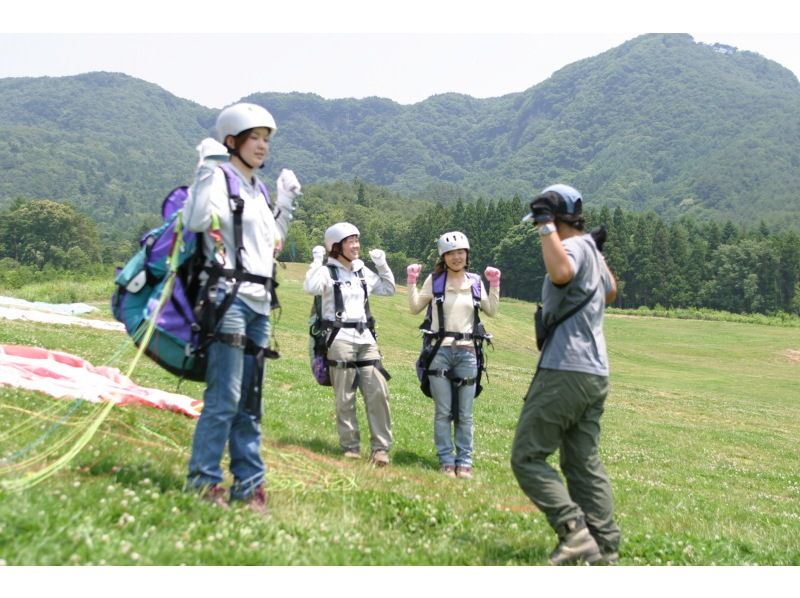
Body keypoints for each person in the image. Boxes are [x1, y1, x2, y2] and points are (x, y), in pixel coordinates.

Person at [182, 102, 301, 512]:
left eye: (266, 140)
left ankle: (249, 486)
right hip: (227, 299)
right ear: (232, 140)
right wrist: (203, 171)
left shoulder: (257, 189)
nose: (263, 146)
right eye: (255, 138)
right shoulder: (220, 178)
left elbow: (271, 244)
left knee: (251, 402)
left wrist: (284, 205)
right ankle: (203, 481)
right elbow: (196, 221)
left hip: (260, 303)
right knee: (226, 397)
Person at [510, 184, 620, 565]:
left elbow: (560, 272)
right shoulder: (588, 247)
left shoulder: (571, 248)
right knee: (582, 464)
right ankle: (605, 548)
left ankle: (574, 532)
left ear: (553, 219)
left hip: (564, 369)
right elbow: (609, 291)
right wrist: (594, 251)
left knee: (527, 457)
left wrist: (545, 226)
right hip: (595, 373)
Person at [407, 232, 500, 479]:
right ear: (443, 257)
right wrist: (411, 281)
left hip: (468, 352)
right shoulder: (435, 280)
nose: (456, 257)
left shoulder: (475, 282)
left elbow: (491, 311)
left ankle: (465, 461)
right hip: (440, 351)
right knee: (444, 410)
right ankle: (447, 460)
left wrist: (495, 285)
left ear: (467, 254)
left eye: (460, 252)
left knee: (465, 413)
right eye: (451, 253)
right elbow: (415, 307)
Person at [304, 223, 396, 466]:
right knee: (345, 396)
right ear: (336, 246)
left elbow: (388, 289)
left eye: (357, 240)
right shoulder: (327, 272)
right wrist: (316, 261)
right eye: (350, 241)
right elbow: (310, 287)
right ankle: (350, 446)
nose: (356, 245)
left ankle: (380, 449)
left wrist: (381, 264)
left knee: (378, 392)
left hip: (366, 339)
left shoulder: (361, 271)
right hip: (339, 339)